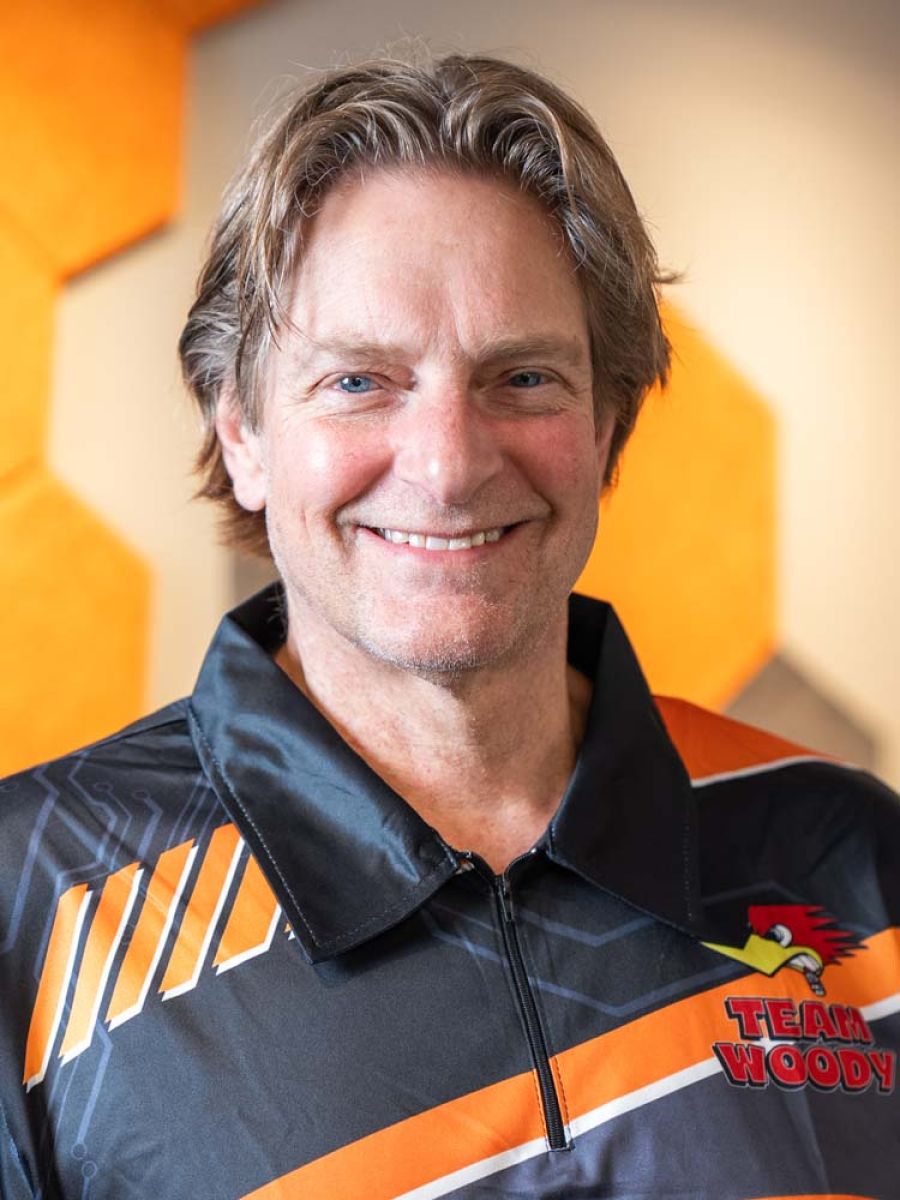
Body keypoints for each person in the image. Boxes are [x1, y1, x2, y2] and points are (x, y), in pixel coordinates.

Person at [1, 53, 898, 1200]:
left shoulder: (846, 856)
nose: (448, 465)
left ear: (608, 427)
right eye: (359, 381)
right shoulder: (29, 908)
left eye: (522, 378)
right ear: (241, 432)